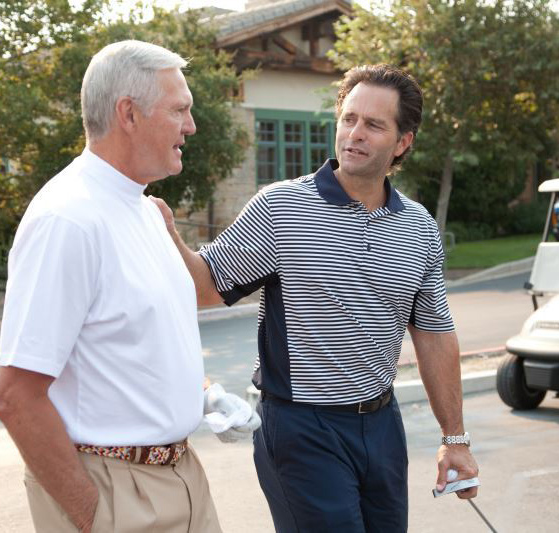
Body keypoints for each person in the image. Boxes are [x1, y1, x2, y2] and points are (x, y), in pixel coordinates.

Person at [152, 64, 479, 532]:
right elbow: (206, 286)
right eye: (349, 119)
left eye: (374, 125)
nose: (355, 133)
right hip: (302, 430)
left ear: (402, 142)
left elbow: (434, 334)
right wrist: (167, 234)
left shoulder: (419, 227)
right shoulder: (280, 207)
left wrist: (455, 439)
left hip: (382, 425)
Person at [0, 40, 256, 533]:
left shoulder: (146, 211)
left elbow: (135, 341)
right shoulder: (67, 220)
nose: (191, 126)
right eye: (179, 110)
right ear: (129, 114)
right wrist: (96, 516)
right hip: (114, 489)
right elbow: (16, 399)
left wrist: (203, 393)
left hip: (182, 476)